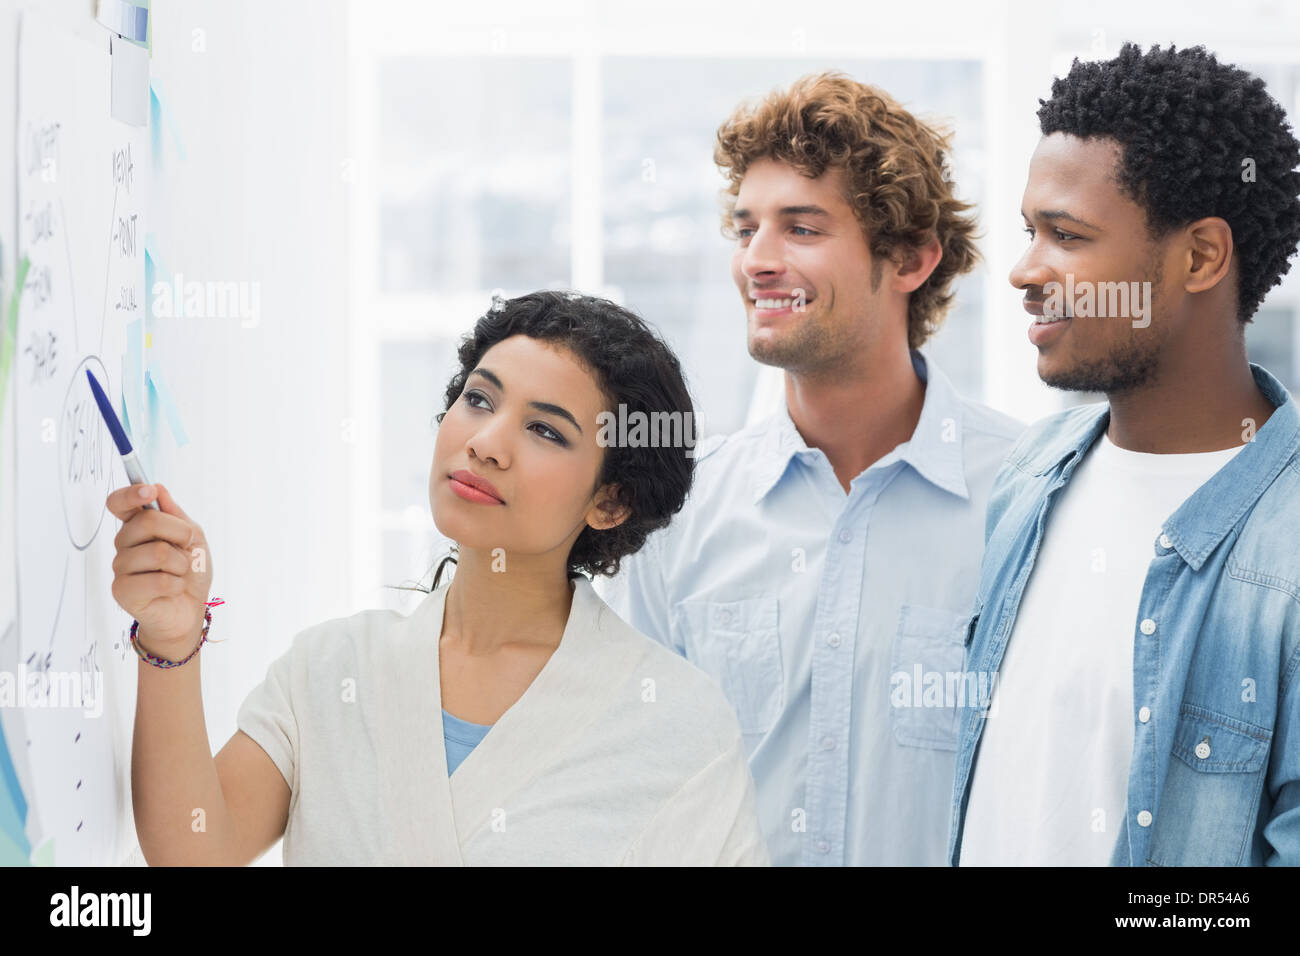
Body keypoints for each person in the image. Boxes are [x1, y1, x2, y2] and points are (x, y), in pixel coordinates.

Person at [110, 290, 769, 866]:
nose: (485, 442)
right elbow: (195, 851)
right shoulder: (332, 670)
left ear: (610, 501)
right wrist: (172, 635)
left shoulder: (677, 723)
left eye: (545, 430)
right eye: (478, 399)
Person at [598, 72, 1024, 865]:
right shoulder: (679, 515)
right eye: (744, 228)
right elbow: (631, 796)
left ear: (909, 259)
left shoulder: (1026, 501)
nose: (757, 260)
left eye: (801, 228)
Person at [950, 43, 1300, 866]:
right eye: (1030, 231)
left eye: (1066, 236)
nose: (1025, 270)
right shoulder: (1029, 476)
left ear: (1201, 257)